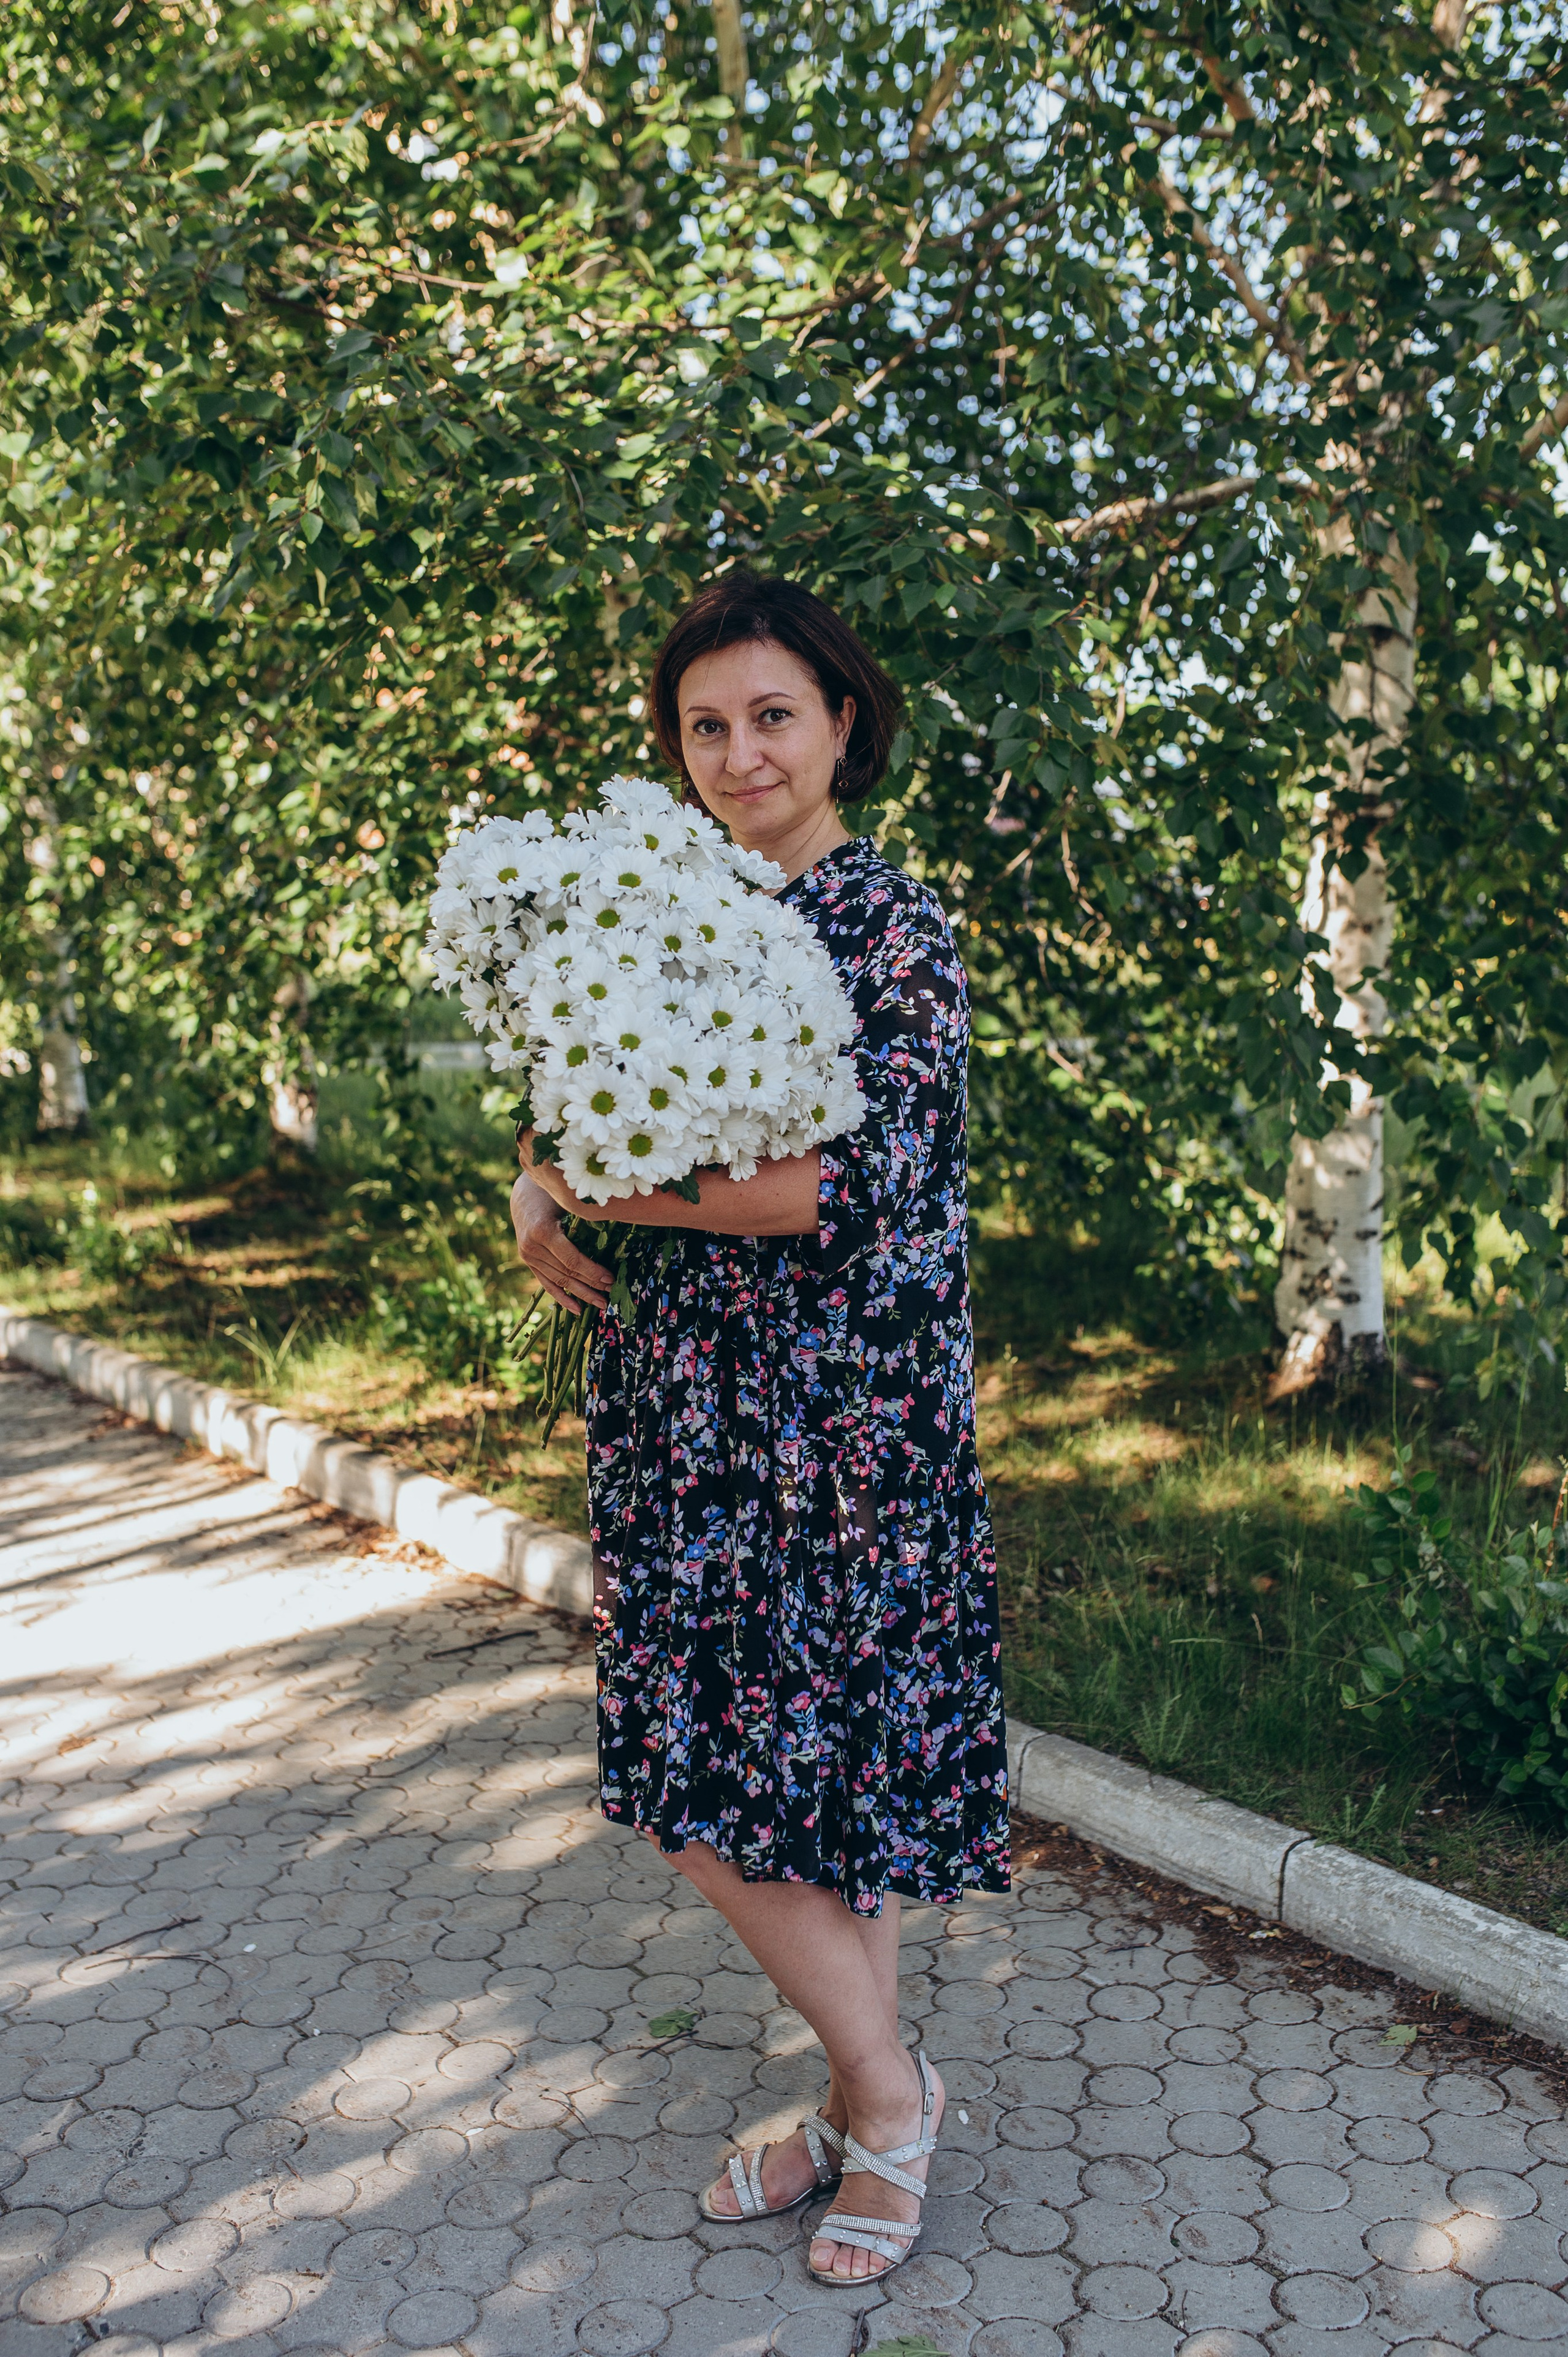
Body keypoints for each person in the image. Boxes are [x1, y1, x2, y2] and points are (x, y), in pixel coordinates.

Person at [510, 571, 1008, 2285]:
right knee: (749, 1778)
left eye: (772, 716)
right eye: (705, 725)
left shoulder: (892, 931)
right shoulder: (663, 907)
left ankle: (886, 2098)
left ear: (842, 723)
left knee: (767, 1788)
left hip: (842, 1421)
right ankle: (872, 2099)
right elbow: (572, 1105)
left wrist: (598, 1186)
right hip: (687, 1403)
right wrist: (536, 1179)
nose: (740, 755)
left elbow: (833, 1192)